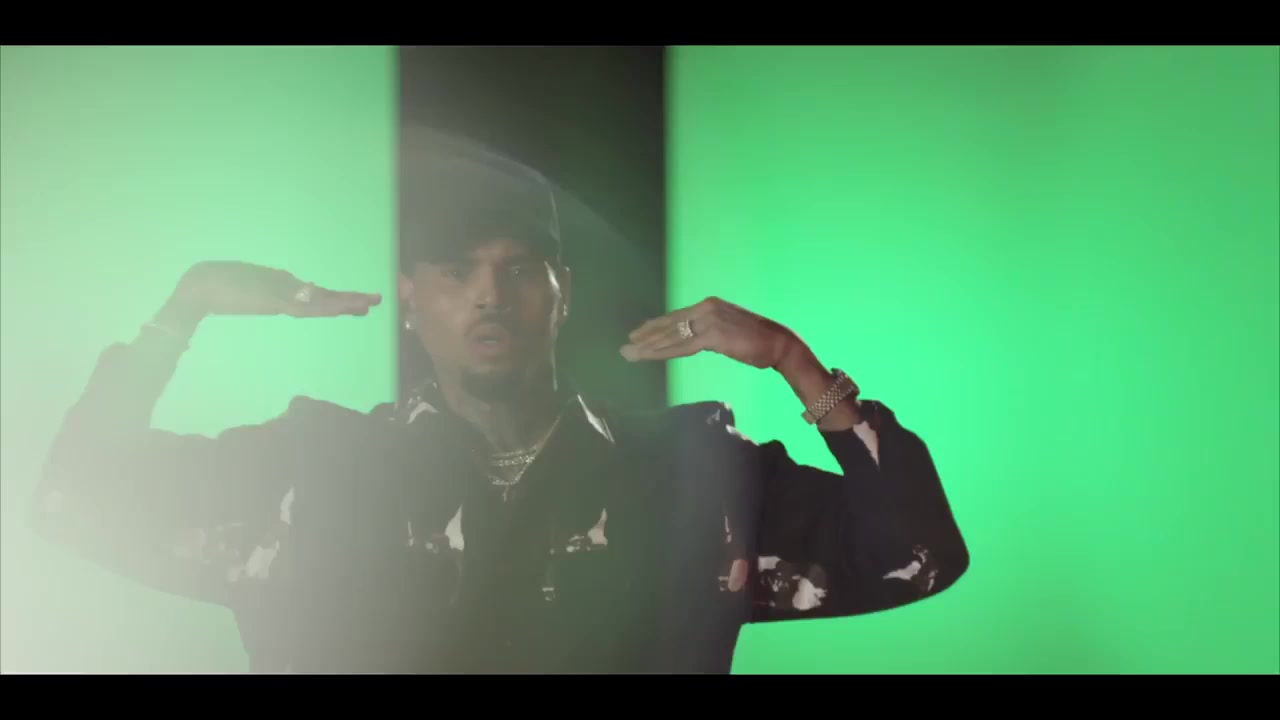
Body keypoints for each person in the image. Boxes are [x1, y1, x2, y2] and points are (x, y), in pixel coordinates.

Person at [31, 127, 969, 674]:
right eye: (456, 269)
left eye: (518, 269)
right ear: (411, 297)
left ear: (561, 292)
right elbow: (77, 499)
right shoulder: (310, 474)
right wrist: (180, 313)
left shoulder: (689, 482)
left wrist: (794, 363)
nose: (488, 294)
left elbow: (917, 557)